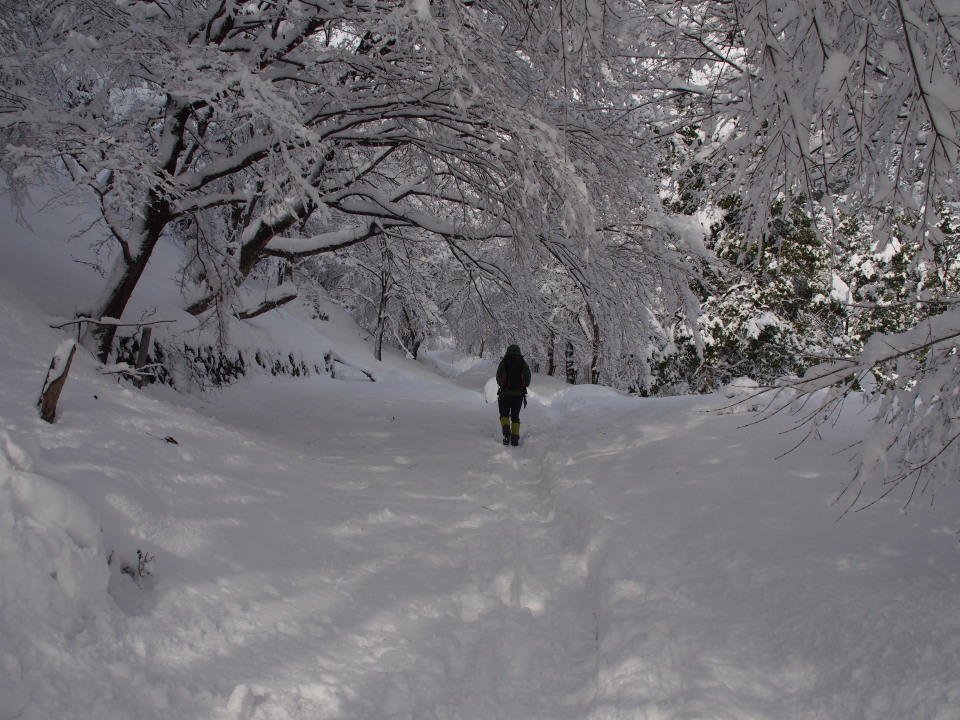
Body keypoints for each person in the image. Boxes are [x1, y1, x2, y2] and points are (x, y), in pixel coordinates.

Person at [496, 344, 532, 446]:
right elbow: (528, 379)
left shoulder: (504, 362)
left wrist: (503, 385)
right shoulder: (522, 363)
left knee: (504, 414)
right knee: (515, 417)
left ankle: (506, 431)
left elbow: (499, 378)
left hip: (505, 394)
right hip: (518, 395)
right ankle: (515, 438)